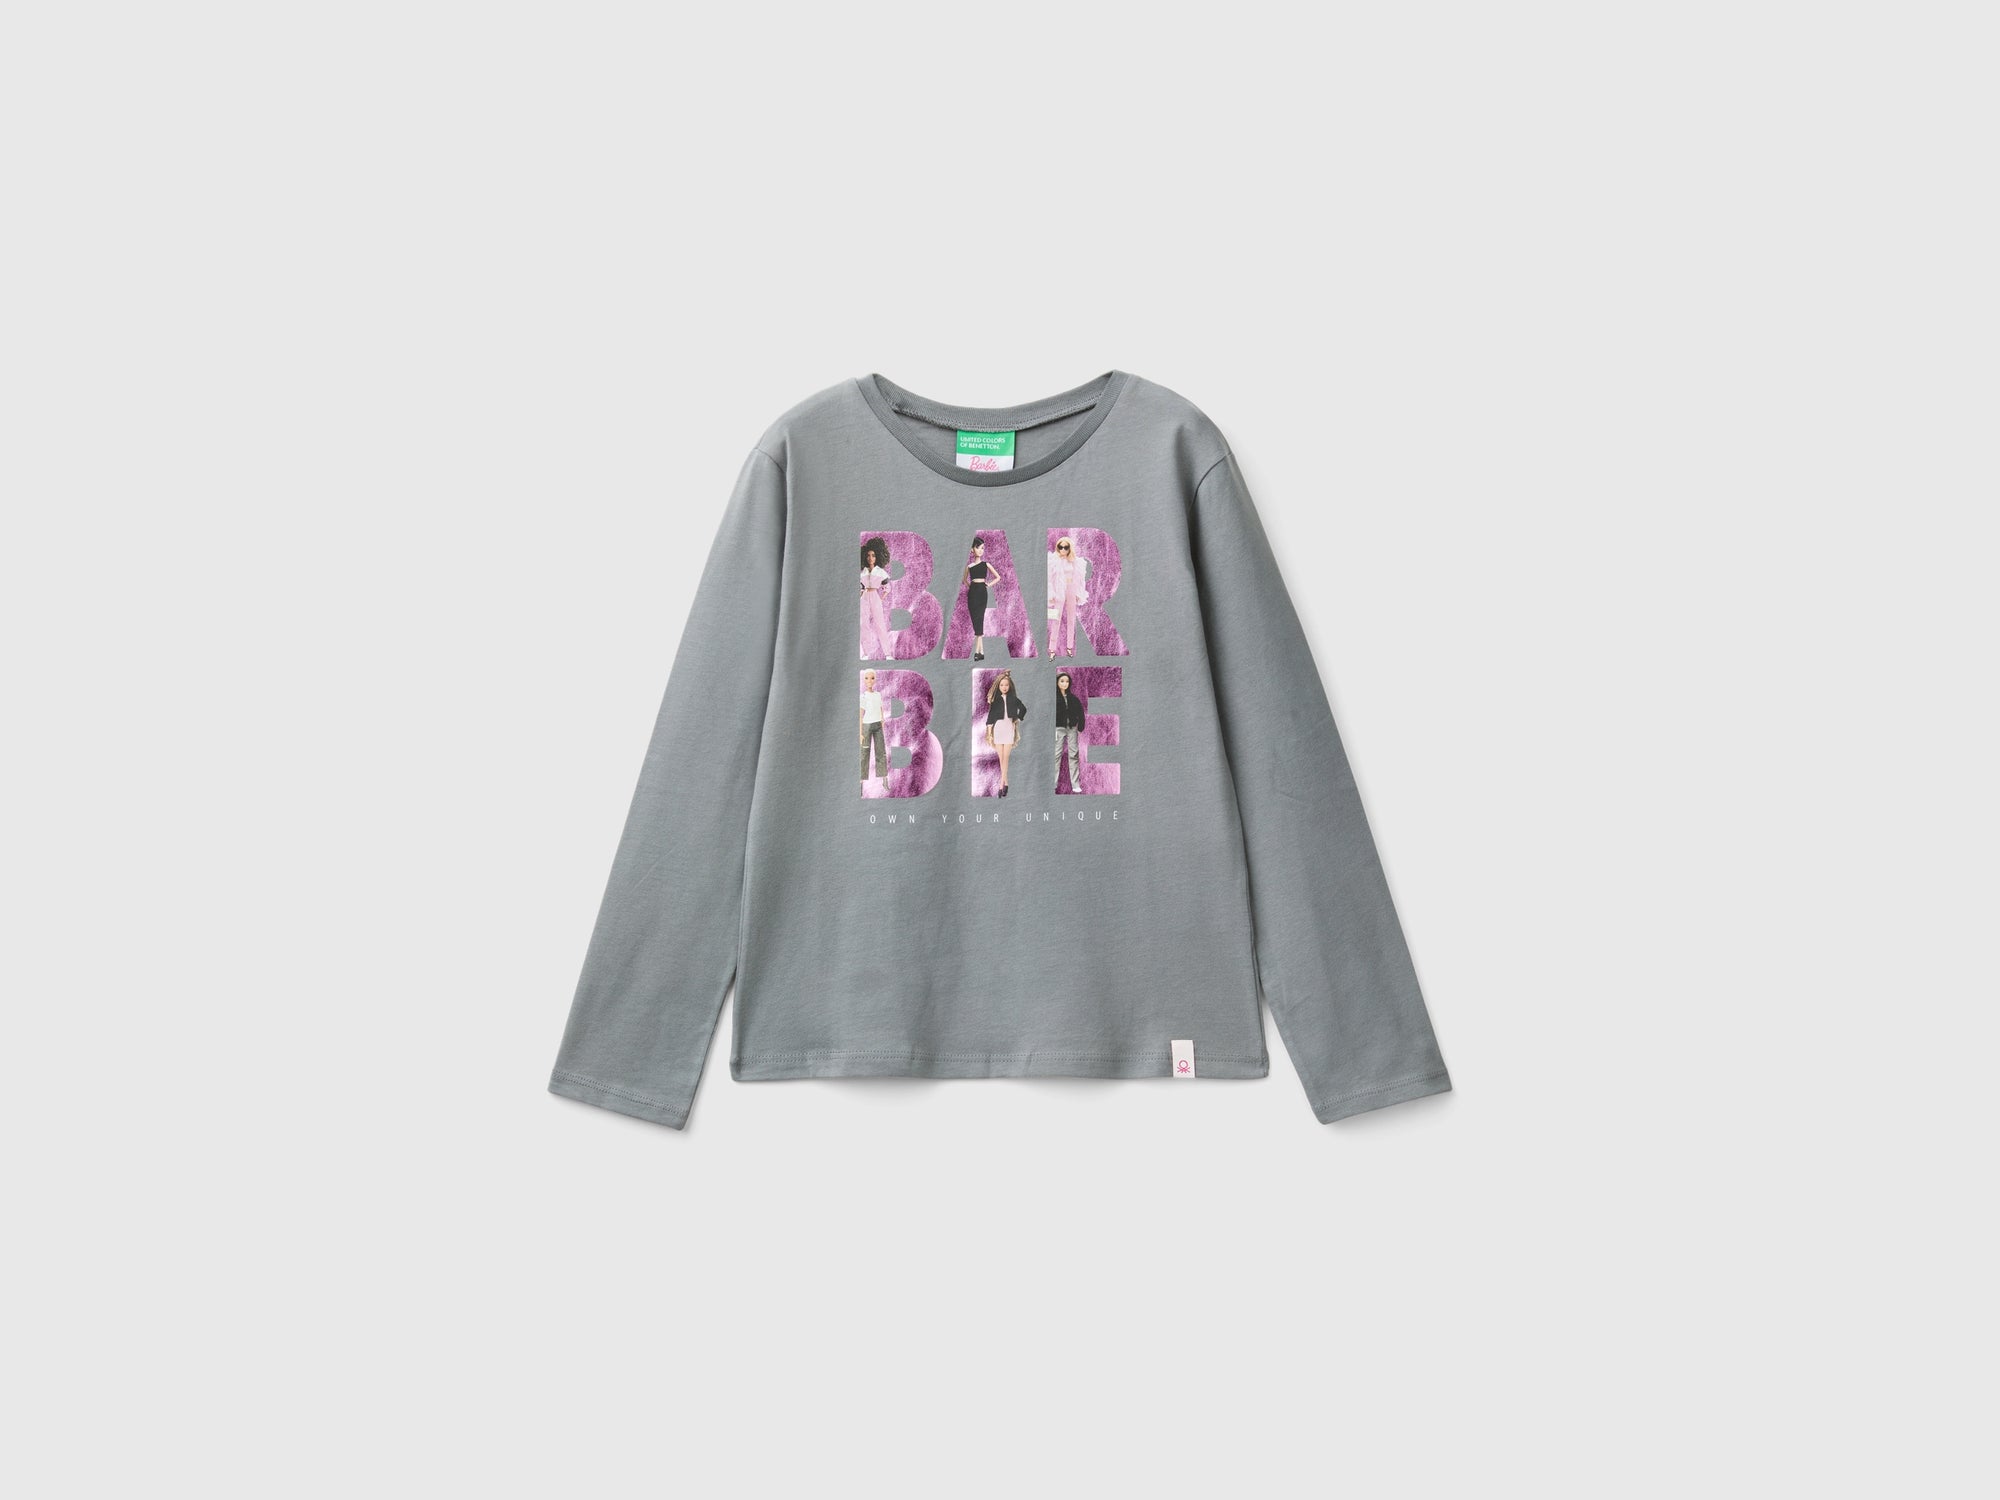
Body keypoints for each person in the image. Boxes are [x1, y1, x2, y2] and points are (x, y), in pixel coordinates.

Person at [984, 670, 1027, 797]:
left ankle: (1000, 785)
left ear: (1010, 686)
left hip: (1009, 728)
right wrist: (989, 731)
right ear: (998, 686)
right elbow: (991, 716)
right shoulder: (996, 700)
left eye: (1006, 685)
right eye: (1002, 685)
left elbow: (1023, 709)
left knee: (1006, 757)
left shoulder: (1013, 699)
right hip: (998, 729)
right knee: (1001, 758)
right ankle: (1005, 783)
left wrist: (1017, 719)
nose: (1004, 687)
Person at [1046, 535, 1087, 657]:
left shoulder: (1076, 561)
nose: (1062, 549)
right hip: (1059, 589)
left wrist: (1079, 593)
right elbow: (1049, 579)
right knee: (1056, 618)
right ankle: (1052, 649)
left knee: (1071, 619)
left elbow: (1080, 579)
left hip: (1071, 588)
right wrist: (1051, 593)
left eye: (1065, 547)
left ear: (1070, 548)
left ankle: (1070, 647)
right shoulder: (1053, 561)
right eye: (1060, 547)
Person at [859, 539, 894, 659]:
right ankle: (866, 653)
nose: (870, 558)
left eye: (873, 555)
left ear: (877, 557)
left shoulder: (880, 572)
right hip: (864, 598)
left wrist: (880, 599)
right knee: (864, 625)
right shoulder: (862, 572)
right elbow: (860, 587)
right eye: (868, 555)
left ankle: (888, 654)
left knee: (880, 625)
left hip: (875, 596)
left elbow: (887, 588)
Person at [1052, 671, 1086, 792]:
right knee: (1056, 755)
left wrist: (1080, 725)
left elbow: (1080, 712)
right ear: (1057, 682)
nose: (1064, 683)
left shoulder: (1073, 698)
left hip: (1072, 729)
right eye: (1062, 681)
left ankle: (1075, 785)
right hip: (1058, 728)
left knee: (1074, 755)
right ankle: (1053, 783)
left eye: (1067, 681)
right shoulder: (1053, 698)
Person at [960, 538, 991, 661]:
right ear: (972, 549)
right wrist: (971, 587)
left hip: (982, 593)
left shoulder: (986, 564)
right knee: (975, 622)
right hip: (973, 594)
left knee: (980, 619)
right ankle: (980, 652)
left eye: (982, 548)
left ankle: (979, 652)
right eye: (978, 547)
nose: (981, 550)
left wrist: (988, 584)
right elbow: (964, 579)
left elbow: (998, 577)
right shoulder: (969, 566)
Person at [859, 670, 890, 790]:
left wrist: (882, 719)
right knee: (864, 753)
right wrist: (860, 732)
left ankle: (884, 779)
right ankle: (861, 782)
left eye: (872, 678)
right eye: (867, 678)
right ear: (864, 680)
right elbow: (860, 715)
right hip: (866, 725)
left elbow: (880, 707)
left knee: (881, 752)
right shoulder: (863, 696)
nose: (869, 681)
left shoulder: (878, 695)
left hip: (878, 725)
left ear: (875, 679)